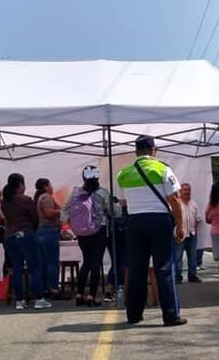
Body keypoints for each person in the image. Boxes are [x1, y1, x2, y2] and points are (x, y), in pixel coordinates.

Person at [116, 135, 186, 326]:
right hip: (159, 221)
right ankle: (171, 315)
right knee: (163, 267)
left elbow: (123, 202)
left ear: (136, 151)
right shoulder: (162, 169)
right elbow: (175, 199)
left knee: (137, 269)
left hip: (134, 222)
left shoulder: (123, 173)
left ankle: (134, 314)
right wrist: (181, 224)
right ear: (154, 150)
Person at [62, 165, 115, 306]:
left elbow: (64, 212)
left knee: (86, 261)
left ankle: (79, 295)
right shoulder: (103, 193)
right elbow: (114, 212)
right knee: (96, 262)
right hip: (99, 230)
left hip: (81, 233)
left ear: (83, 177)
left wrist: (74, 225)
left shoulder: (75, 193)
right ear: (97, 177)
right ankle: (91, 296)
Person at [1, 173, 51, 310]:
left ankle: (20, 301)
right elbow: (34, 219)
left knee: (17, 269)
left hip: (10, 237)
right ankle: (39, 299)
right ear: (20, 185)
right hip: (25, 235)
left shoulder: (5, 202)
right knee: (34, 267)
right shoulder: (26, 200)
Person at [34, 178, 67, 300]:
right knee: (52, 263)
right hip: (49, 232)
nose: (52, 187)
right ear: (46, 186)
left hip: (42, 233)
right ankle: (54, 289)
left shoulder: (40, 198)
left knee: (43, 263)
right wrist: (62, 211)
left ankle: (45, 289)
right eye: (50, 185)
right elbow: (48, 213)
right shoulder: (46, 197)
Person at [173, 183, 203, 283]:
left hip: (192, 233)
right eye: (185, 190)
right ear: (180, 191)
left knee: (193, 256)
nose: (187, 192)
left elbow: (198, 218)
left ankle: (192, 276)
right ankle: (177, 277)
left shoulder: (194, 203)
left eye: (188, 189)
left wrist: (195, 229)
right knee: (177, 256)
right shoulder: (177, 203)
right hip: (180, 234)